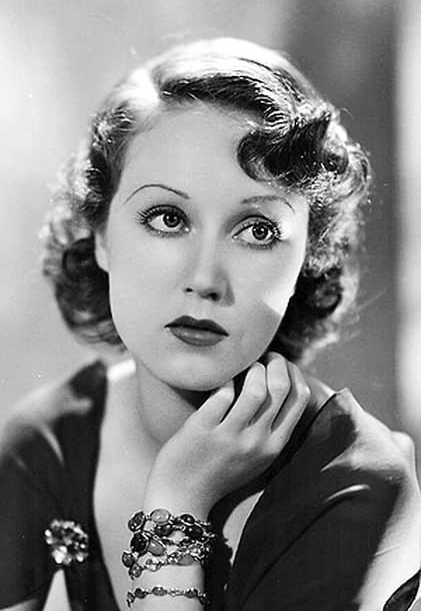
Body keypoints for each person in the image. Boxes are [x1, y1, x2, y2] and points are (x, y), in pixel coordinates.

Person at [0, 38, 419, 611]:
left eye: (258, 231)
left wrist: (176, 502)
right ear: (100, 237)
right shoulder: (47, 444)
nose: (205, 279)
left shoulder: (355, 484)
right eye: (167, 218)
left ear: (307, 258)